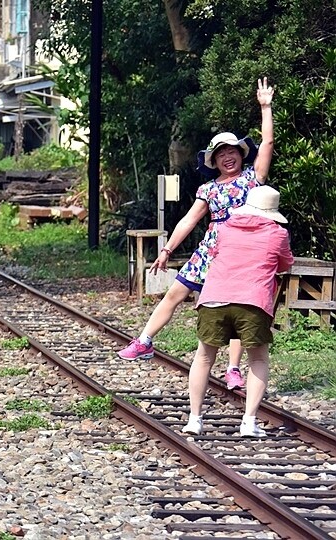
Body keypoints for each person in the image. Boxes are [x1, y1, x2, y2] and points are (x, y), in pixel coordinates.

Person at [118, 77, 275, 392]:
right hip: (212, 249)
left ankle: (233, 369)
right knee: (175, 293)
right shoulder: (209, 188)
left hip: (243, 252)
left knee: (236, 306)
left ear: (241, 154)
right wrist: (166, 250)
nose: (227, 157)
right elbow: (189, 220)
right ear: (213, 160)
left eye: (232, 151)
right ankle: (145, 340)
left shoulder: (252, 179)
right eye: (220, 154)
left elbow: (268, 144)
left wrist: (266, 107)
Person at [181, 185, 293, 437]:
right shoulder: (278, 233)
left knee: (203, 358)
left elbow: (215, 254)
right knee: (258, 359)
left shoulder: (224, 228)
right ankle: (249, 422)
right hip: (252, 302)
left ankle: (194, 420)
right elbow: (286, 263)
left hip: (214, 298)